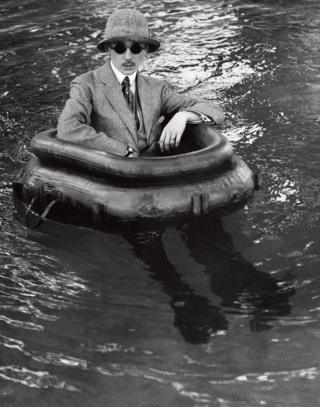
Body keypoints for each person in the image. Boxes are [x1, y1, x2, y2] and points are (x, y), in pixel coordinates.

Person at [57, 9, 224, 158]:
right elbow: (68, 128)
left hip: (153, 170)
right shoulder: (85, 84)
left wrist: (183, 116)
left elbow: (213, 110)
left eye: (136, 48)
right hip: (112, 171)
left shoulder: (158, 89)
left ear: (145, 51)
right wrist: (122, 151)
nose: (128, 56)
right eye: (120, 48)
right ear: (108, 48)